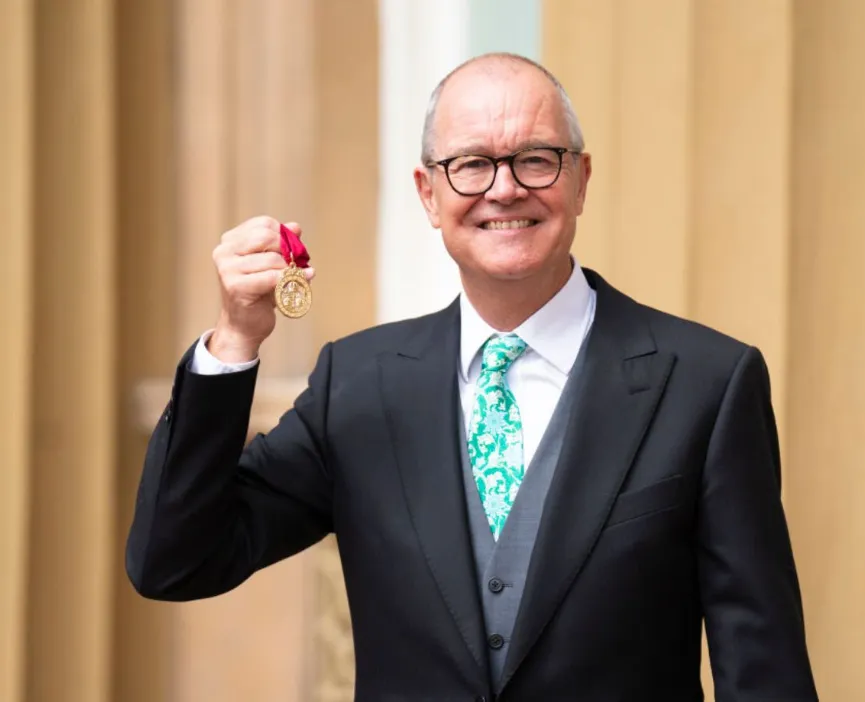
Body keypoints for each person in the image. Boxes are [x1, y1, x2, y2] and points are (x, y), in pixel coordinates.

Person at [126, 53, 818, 701]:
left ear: (580, 179)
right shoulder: (358, 384)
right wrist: (235, 340)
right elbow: (177, 562)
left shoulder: (706, 382)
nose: (505, 187)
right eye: (471, 165)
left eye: (536, 159)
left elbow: (762, 663)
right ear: (429, 194)